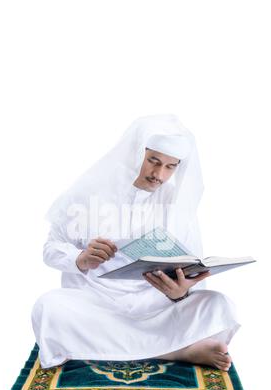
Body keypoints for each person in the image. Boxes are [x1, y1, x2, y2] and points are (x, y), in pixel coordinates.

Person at [31, 114, 240, 370]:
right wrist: (80, 258)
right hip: (96, 303)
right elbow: (50, 249)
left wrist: (179, 293)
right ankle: (177, 350)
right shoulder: (89, 194)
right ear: (135, 153)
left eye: (170, 166)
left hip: (156, 306)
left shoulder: (177, 204)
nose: (159, 175)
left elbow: (192, 268)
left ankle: (100, 346)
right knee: (49, 307)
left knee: (219, 305)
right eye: (153, 161)